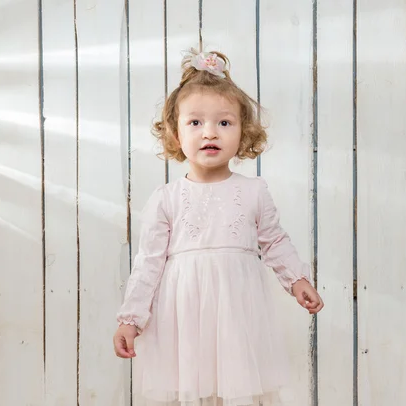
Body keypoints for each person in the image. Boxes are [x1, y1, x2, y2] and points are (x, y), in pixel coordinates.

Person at [113, 48, 324, 406]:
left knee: (239, 388)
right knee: (192, 391)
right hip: (183, 315)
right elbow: (148, 263)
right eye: (195, 122)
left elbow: (274, 241)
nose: (209, 132)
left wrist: (297, 279)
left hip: (237, 311)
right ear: (176, 134)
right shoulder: (166, 198)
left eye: (224, 123)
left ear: (243, 133)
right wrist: (131, 318)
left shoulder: (254, 191)